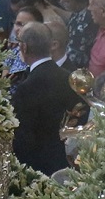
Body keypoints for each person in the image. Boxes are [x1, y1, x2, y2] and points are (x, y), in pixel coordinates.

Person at [10, 22, 76, 175]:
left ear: (24, 47)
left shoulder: (25, 88)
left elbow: (22, 138)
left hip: (37, 168)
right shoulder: (69, 78)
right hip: (66, 162)